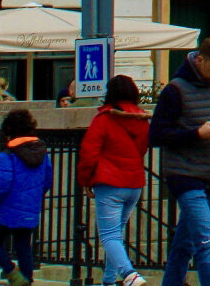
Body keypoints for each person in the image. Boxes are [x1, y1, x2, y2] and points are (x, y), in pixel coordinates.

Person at [151, 35, 210, 286]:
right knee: (208, 239)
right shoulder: (174, 90)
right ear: (200, 60)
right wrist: (195, 133)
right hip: (183, 174)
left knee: (186, 242)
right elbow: (156, 134)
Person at [80, 75, 149, 286]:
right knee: (116, 235)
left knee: (109, 236)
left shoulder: (104, 119)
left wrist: (86, 180)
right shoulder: (142, 119)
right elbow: (142, 149)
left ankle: (129, 274)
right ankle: (108, 281)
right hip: (134, 182)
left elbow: (88, 153)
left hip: (109, 182)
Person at [0, 107, 52, 286]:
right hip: (30, 207)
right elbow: (47, 181)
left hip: (7, 208)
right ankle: (27, 279)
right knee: (23, 245)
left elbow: (1, 185)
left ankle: (12, 273)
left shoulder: (7, 155)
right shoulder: (42, 152)